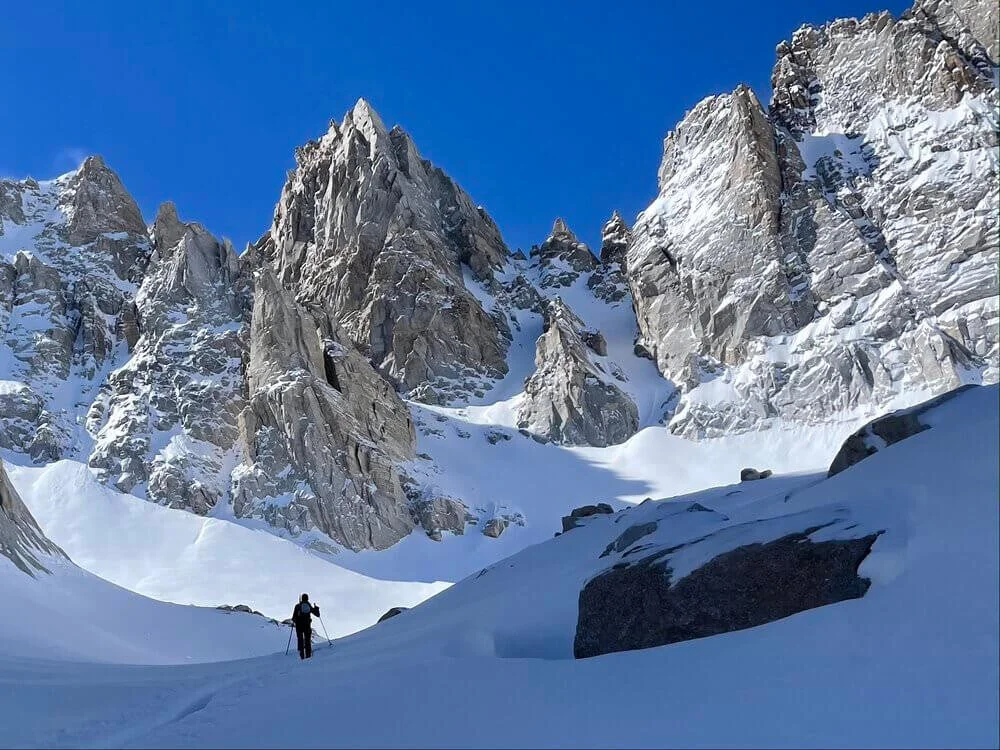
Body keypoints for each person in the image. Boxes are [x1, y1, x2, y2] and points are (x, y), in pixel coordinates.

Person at [291, 593, 320, 659]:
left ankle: (301, 656)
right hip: (307, 625)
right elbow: (317, 615)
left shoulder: (297, 606)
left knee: (300, 640)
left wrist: (296, 621)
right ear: (307, 598)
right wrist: (316, 608)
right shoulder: (309, 605)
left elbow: (293, 618)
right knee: (307, 640)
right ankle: (308, 655)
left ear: (302, 598)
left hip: (299, 626)